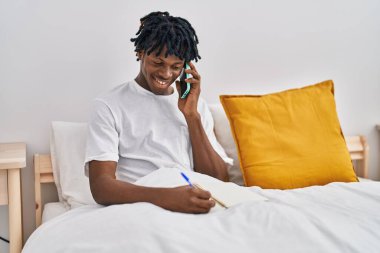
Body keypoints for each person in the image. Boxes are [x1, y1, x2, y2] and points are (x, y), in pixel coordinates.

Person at [85, 11, 232, 214]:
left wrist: (192, 116)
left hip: (192, 206)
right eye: (158, 63)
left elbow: (220, 179)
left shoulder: (195, 106)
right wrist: (167, 197)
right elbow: (101, 187)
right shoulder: (109, 105)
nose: (166, 74)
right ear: (141, 53)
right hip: (143, 208)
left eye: (176, 67)